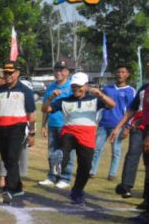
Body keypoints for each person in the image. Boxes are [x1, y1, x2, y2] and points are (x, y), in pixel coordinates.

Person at [42, 72, 116, 204]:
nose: (76, 88)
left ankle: (77, 192)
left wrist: (101, 95)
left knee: (85, 167)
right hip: (69, 131)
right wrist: (50, 98)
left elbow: (112, 105)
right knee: (63, 148)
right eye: (74, 86)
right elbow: (45, 109)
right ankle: (58, 165)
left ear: (86, 86)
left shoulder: (94, 100)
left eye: (79, 86)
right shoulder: (65, 100)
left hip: (87, 136)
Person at [0, 61, 37, 204]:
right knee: (6, 158)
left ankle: (10, 188)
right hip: (1, 128)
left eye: (11, 73)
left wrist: (32, 133)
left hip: (17, 128)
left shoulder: (25, 91)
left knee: (11, 156)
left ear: (17, 73)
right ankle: (18, 186)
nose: (8, 75)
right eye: (6, 73)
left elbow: (31, 114)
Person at [91, 65, 135, 180]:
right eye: (118, 72)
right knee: (96, 148)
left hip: (118, 125)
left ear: (127, 75)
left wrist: (127, 127)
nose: (120, 74)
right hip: (103, 124)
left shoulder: (130, 91)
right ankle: (91, 171)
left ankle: (112, 174)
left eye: (123, 72)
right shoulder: (107, 88)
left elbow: (132, 111)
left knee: (116, 150)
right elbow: (99, 104)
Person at [110, 76, 149, 205]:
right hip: (139, 125)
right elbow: (131, 110)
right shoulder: (144, 88)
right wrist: (118, 128)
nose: (148, 64)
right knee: (133, 152)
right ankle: (126, 186)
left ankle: (146, 199)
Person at [39, 61, 74, 189]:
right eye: (56, 70)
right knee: (52, 152)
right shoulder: (50, 87)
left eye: (62, 70)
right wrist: (43, 125)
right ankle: (52, 177)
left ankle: (65, 177)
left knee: (66, 152)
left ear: (67, 72)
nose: (58, 72)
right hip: (53, 124)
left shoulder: (72, 86)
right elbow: (45, 107)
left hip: (67, 125)